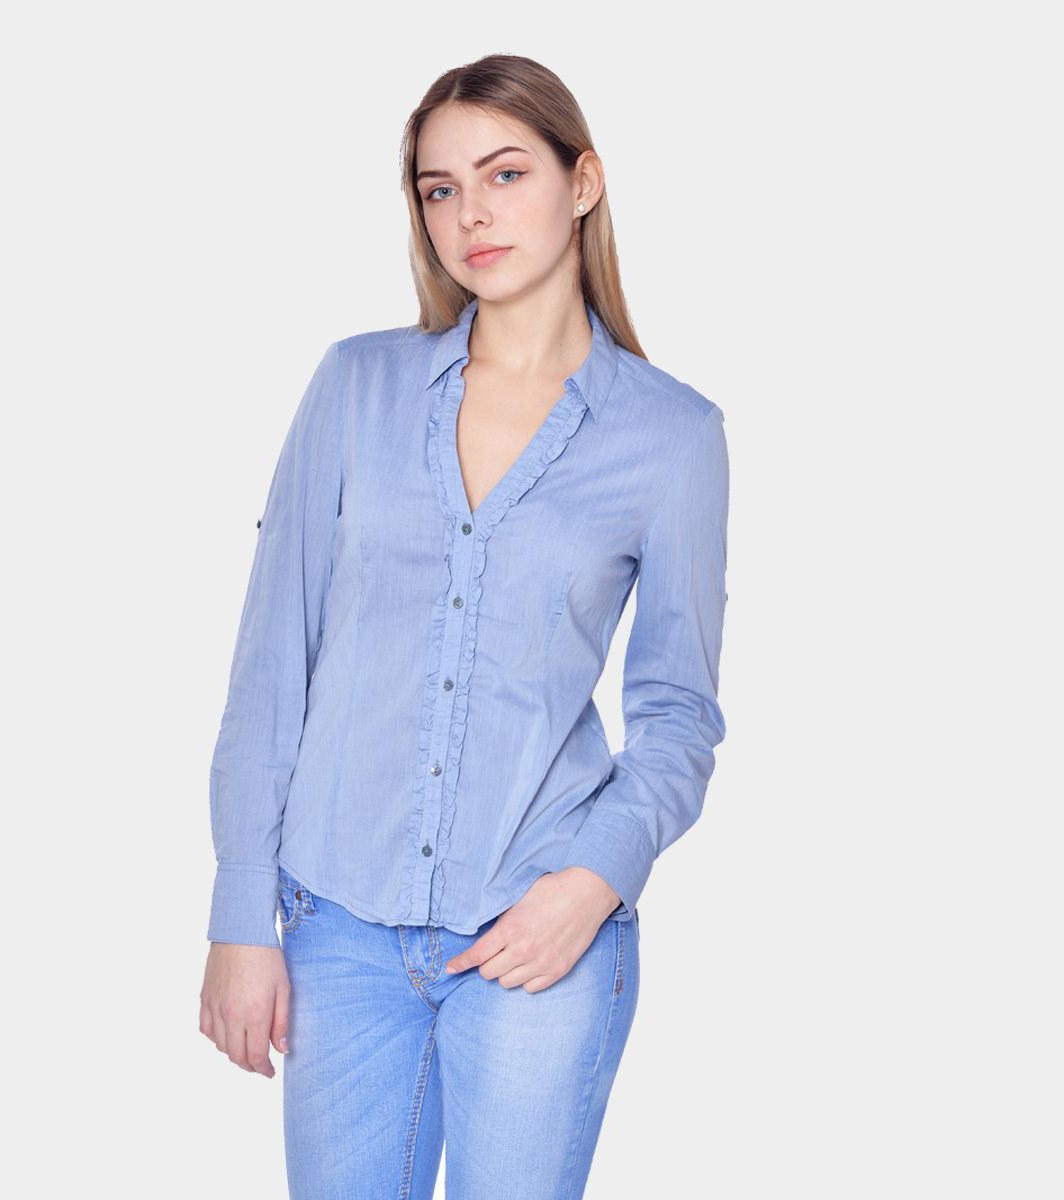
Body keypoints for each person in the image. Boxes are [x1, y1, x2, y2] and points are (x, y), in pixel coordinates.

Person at [199, 54, 728, 1199]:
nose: (470, 213)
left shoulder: (673, 436)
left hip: (540, 928)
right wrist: (241, 908)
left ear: (583, 182)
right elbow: (271, 662)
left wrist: (591, 883)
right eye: (439, 188)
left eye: (504, 173)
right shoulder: (355, 387)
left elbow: (679, 715)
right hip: (337, 924)